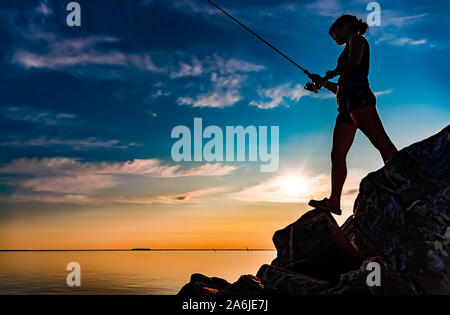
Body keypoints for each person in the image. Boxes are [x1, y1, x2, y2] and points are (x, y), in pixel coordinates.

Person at [306, 15, 398, 215]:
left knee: (381, 142)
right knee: (337, 154)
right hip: (347, 106)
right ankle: (334, 201)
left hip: (359, 99)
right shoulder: (348, 46)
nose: (335, 39)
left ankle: (404, 179)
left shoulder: (356, 39)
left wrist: (329, 74)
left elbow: (354, 63)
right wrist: (322, 83)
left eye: (335, 34)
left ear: (346, 26)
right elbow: (341, 86)